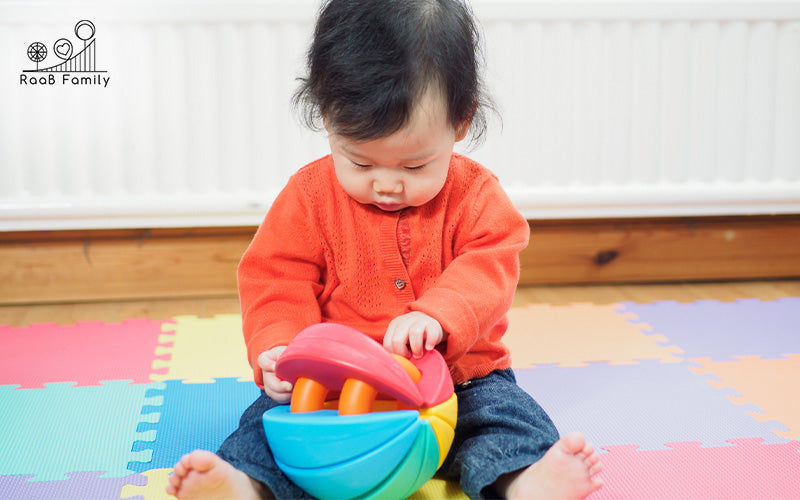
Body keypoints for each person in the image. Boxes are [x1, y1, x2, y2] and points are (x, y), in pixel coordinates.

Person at [167, 0, 603, 498]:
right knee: (270, 426)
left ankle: (524, 481)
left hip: (459, 383)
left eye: (414, 166)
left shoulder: (478, 196)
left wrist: (438, 316)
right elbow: (275, 275)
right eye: (360, 162)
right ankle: (245, 484)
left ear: (461, 122)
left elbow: (490, 263)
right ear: (326, 118)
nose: (387, 185)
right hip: (331, 388)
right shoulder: (308, 196)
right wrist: (280, 347)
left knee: (507, 421)